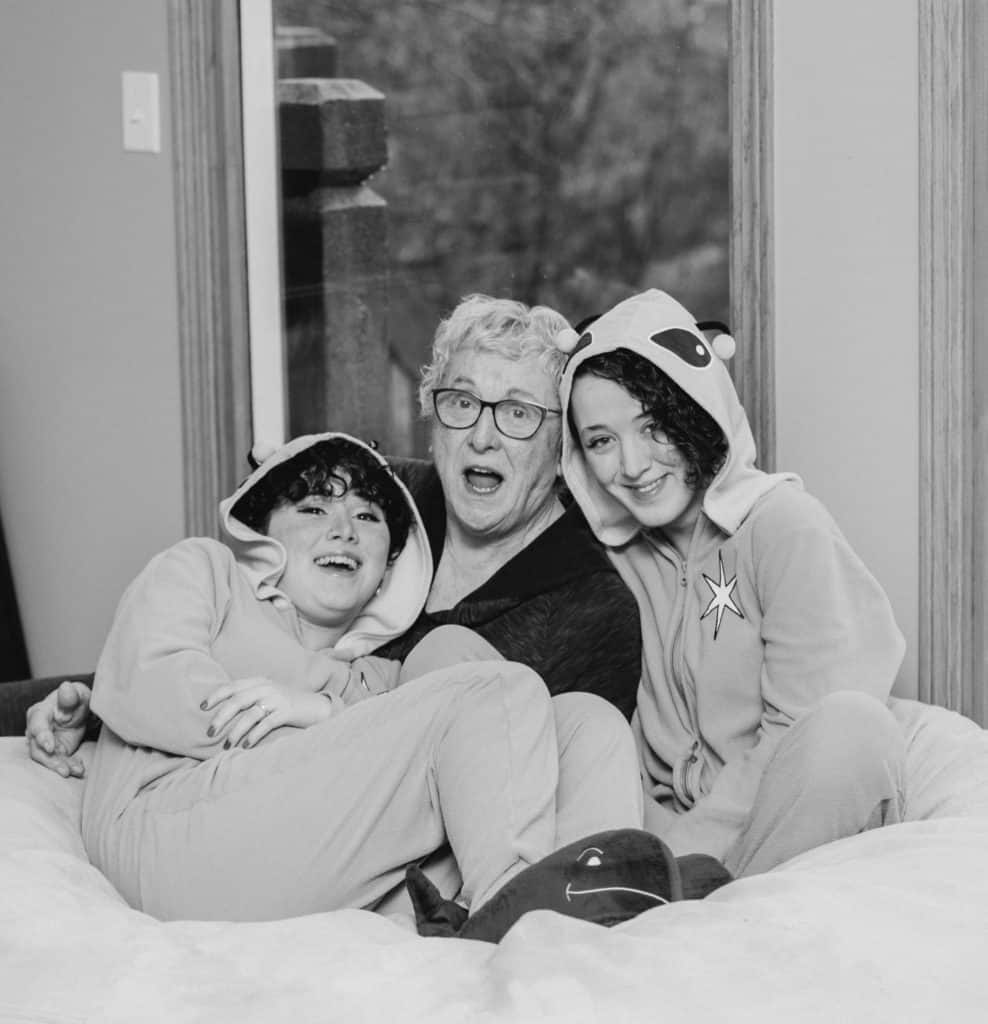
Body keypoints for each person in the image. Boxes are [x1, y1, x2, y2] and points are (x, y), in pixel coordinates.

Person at [16, 294, 642, 777]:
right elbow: (243, 637)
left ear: (561, 445)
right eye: (461, 402)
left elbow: (530, 776)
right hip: (253, 759)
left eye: (519, 414)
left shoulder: (591, 607)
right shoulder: (382, 500)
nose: (482, 435)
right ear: (432, 417)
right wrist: (100, 709)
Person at [78, 431, 643, 922]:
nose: (344, 531)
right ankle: (520, 912)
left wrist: (324, 710)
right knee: (493, 691)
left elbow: (468, 752)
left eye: (368, 518)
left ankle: (609, 903)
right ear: (262, 531)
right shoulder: (205, 570)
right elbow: (146, 682)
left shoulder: (375, 677)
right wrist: (310, 719)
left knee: (583, 719)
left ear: (386, 571)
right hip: (174, 836)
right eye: (314, 510)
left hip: (312, 860)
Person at [557, 288, 907, 878]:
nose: (633, 465)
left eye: (653, 427)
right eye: (601, 441)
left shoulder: (785, 528)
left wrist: (688, 858)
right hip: (660, 839)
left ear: (698, 410)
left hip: (776, 832)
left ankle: (699, 909)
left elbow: (802, 736)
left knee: (855, 728)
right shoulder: (610, 558)